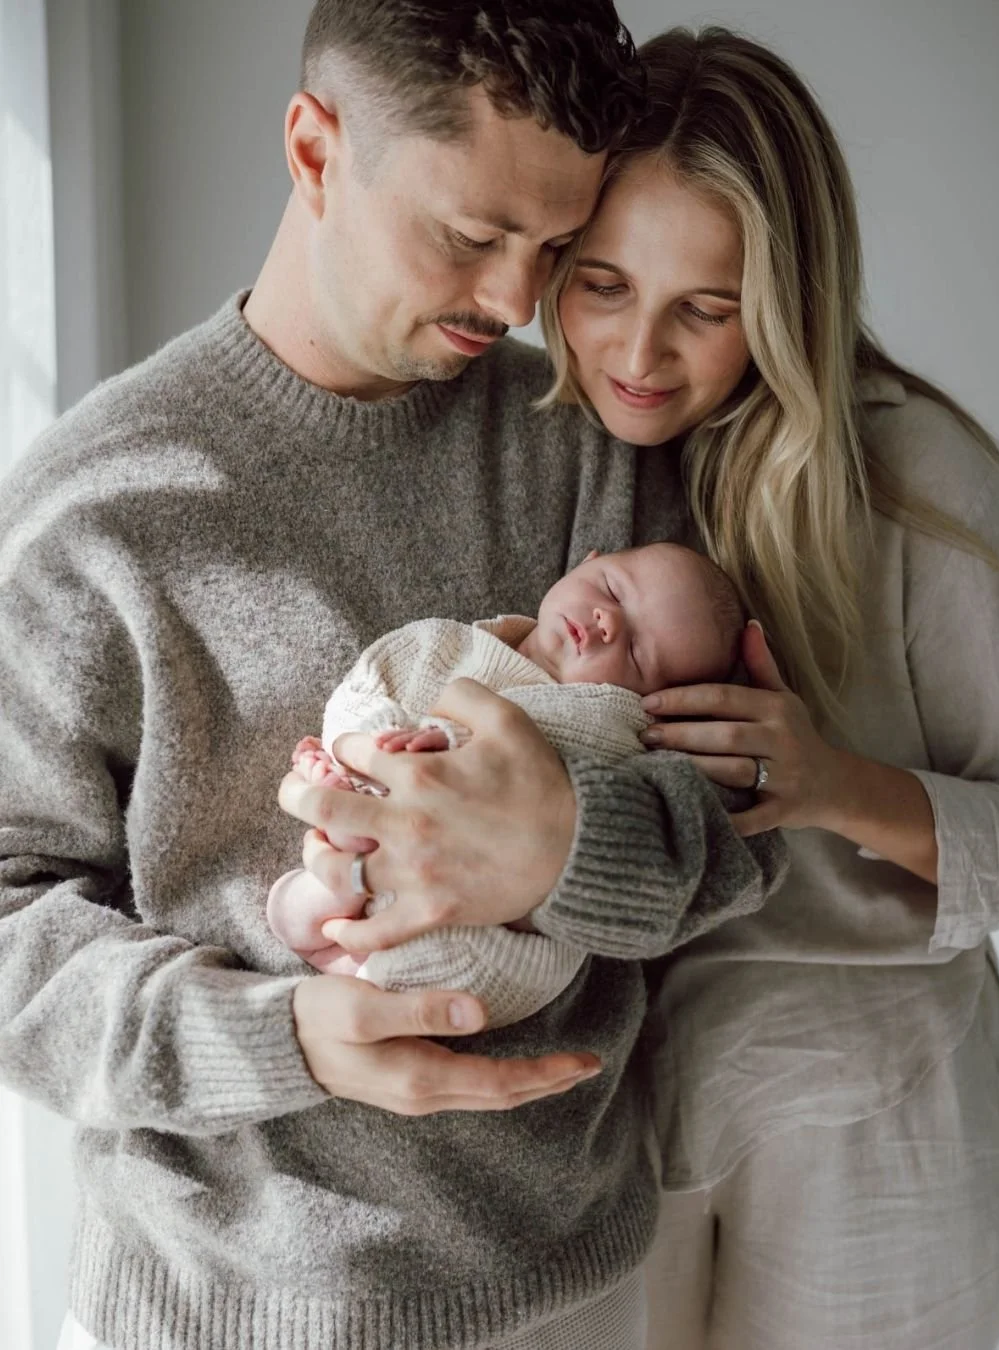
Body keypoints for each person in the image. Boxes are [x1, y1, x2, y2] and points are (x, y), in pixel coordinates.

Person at [0, 5, 788, 1350]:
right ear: (316, 149)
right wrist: (283, 1033)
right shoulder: (94, 512)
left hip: (570, 1287)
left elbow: (740, 826)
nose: (509, 298)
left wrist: (565, 847)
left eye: (549, 249)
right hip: (214, 1309)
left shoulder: (589, 455)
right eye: (470, 236)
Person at [522, 25, 999, 1350]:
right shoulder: (540, 458)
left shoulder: (916, 479)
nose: (638, 351)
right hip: (610, 1123)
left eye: (705, 309)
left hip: (874, 1118)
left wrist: (837, 786)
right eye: (600, 282)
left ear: (786, 299)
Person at [267, 542, 745, 1028]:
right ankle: (351, 866)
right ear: (587, 560)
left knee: (390, 968)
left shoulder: (607, 721)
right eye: (612, 590)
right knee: (287, 910)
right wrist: (375, 732)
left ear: (654, 702)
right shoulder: (445, 642)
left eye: (638, 653)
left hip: (483, 933)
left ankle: (359, 898)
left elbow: (546, 765)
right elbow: (363, 687)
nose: (608, 623)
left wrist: (445, 739)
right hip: (380, 829)